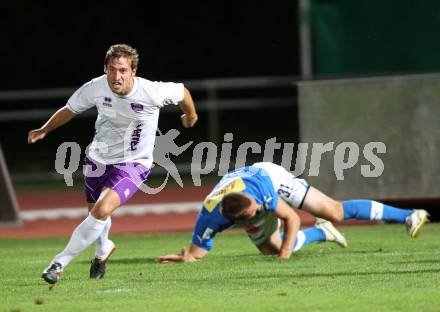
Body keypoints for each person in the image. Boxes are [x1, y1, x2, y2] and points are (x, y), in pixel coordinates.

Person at [28, 43, 198, 284]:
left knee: (101, 210)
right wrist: (45, 129)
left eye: (122, 70)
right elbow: (70, 109)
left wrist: (190, 116)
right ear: (105, 69)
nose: (116, 76)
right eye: (112, 69)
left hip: (134, 163)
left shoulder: (151, 92)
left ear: (133, 71)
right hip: (98, 158)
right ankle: (103, 249)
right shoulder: (96, 87)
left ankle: (58, 264)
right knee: (96, 216)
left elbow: (183, 92)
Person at [159, 162, 429, 263]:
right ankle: (322, 233)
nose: (262, 211)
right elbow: (195, 254)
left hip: (269, 175)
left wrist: (286, 257)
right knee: (272, 249)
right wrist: (186, 259)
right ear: (235, 220)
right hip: (247, 193)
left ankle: (408, 215)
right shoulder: (210, 217)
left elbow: (292, 217)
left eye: (259, 208)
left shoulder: (262, 193)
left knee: (333, 210)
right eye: (256, 213)